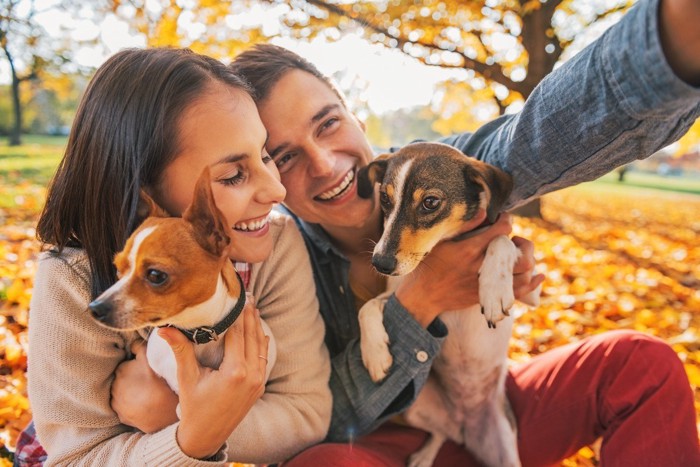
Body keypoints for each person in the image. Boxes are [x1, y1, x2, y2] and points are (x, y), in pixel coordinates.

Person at [110, 0, 699, 464]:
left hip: (496, 411)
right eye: (283, 156)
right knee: (319, 465)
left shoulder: (446, 172)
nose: (326, 165)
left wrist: (670, 42)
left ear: (355, 113)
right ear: (264, 174)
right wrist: (422, 300)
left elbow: (548, 129)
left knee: (638, 361)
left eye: (329, 123)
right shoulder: (280, 257)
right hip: (389, 438)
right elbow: (322, 412)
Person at [16, 47, 331, 466]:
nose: (276, 191)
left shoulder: (273, 243)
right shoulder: (73, 278)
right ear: (141, 191)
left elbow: (306, 413)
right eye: (232, 175)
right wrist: (191, 440)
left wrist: (186, 421)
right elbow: (76, 457)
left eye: (266, 155)